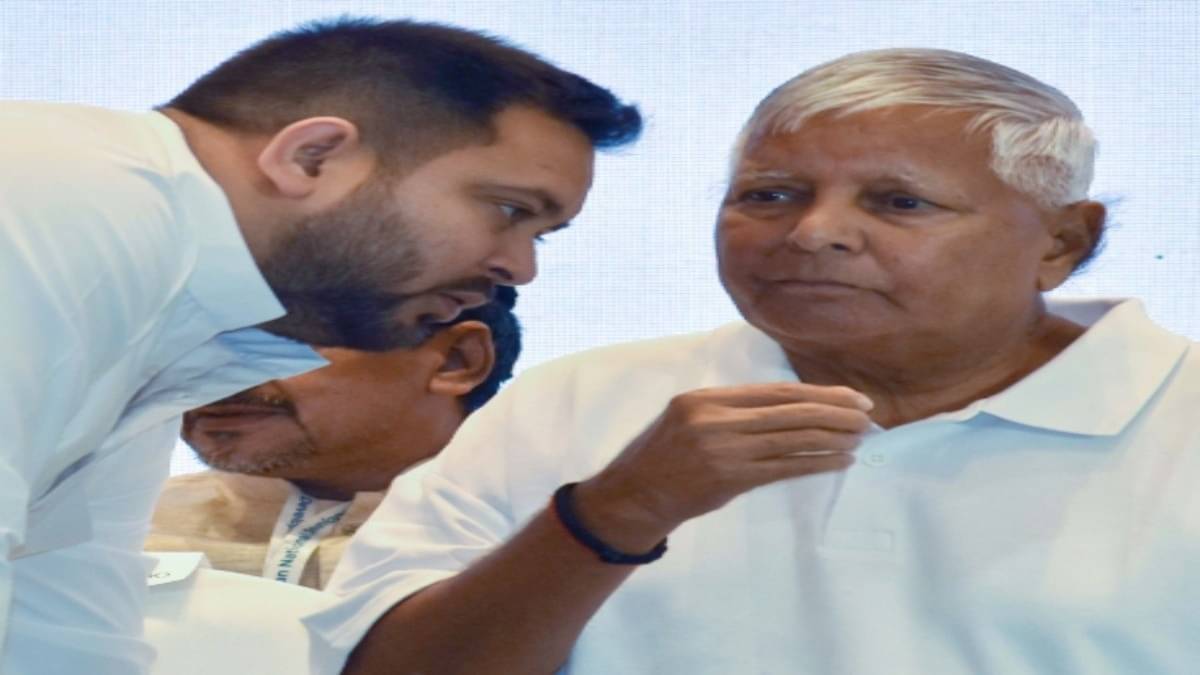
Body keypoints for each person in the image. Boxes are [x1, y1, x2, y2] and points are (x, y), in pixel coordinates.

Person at [306, 49, 1200, 674]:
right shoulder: (579, 403)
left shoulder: (1177, 416)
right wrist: (616, 513)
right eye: (769, 195)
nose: (813, 234)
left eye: (899, 201)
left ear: (1063, 242)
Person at [0, 16, 639, 674]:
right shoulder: (48, 212)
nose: (519, 267)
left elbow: (63, 631)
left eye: (543, 233)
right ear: (312, 158)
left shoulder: (165, 319)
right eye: (508, 209)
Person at [146, 287, 521, 589]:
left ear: (456, 360)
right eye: (187, 342)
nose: (213, 371)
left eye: (284, 336)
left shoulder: (545, 537)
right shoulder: (116, 529)